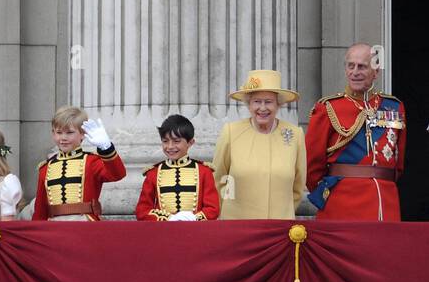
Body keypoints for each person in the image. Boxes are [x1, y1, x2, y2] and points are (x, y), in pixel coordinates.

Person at [305, 43, 406, 221]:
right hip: (341, 203)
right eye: (350, 66)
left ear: (376, 71)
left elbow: (398, 164)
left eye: (362, 66)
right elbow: (311, 166)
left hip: (384, 200)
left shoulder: (394, 107)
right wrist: (328, 194)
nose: (355, 72)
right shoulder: (328, 107)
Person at [211, 69, 306, 220]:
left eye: (268, 102)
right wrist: (227, 209)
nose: (262, 108)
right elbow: (219, 179)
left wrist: (283, 212)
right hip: (238, 226)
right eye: (257, 101)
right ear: (249, 104)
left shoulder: (294, 134)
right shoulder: (231, 132)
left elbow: (298, 186)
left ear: (278, 105)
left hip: (279, 227)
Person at [32, 106, 125, 221]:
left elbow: (118, 174)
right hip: (54, 227)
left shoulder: (91, 161)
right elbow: (40, 210)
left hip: (84, 226)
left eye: (69, 132)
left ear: (82, 134)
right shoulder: (45, 168)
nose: (63, 138)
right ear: (53, 133)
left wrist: (106, 148)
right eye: (59, 132)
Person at [135, 114, 220, 221]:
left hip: (196, 232)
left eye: (176, 141)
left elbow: (213, 208)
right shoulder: (153, 173)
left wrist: (194, 218)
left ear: (190, 142)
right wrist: (168, 218)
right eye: (165, 141)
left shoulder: (204, 171)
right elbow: (142, 210)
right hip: (163, 232)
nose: (170, 146)